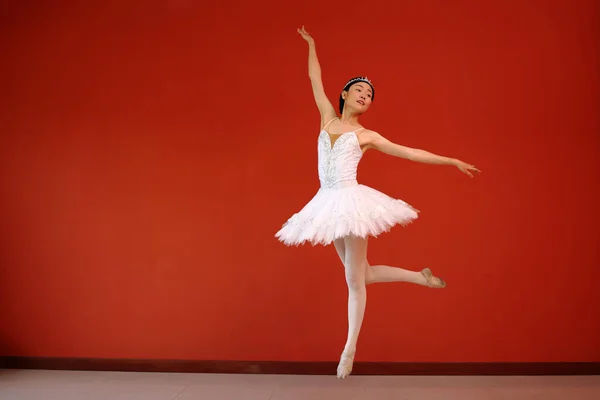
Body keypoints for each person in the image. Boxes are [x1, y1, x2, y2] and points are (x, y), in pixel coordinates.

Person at [275, 26, 480, 379]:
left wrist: (450, 160)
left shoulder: (367, 135)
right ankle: (420, 277)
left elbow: (411, 152)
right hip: (326, 202)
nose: (365, 96)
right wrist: (311, 45)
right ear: (344, 94)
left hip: (352, 204)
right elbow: (314, 78)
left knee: (355, 281)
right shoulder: (326, 117)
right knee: (361, 275)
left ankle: (349, 349)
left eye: (370, 94)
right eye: (359, 90)